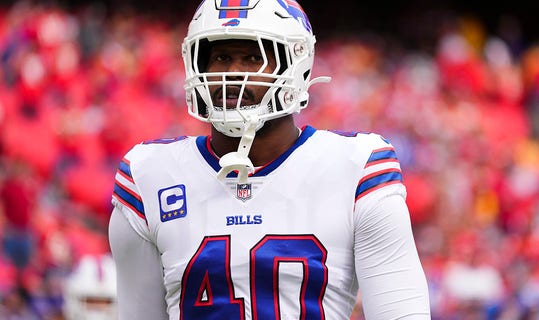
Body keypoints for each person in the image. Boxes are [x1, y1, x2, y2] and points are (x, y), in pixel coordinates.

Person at [108, 0, 431, 319]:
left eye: (252, 58)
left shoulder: (356, 167)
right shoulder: (149, 174)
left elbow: (402, 313)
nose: (232, 73)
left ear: (295, 64)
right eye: (221, 57)